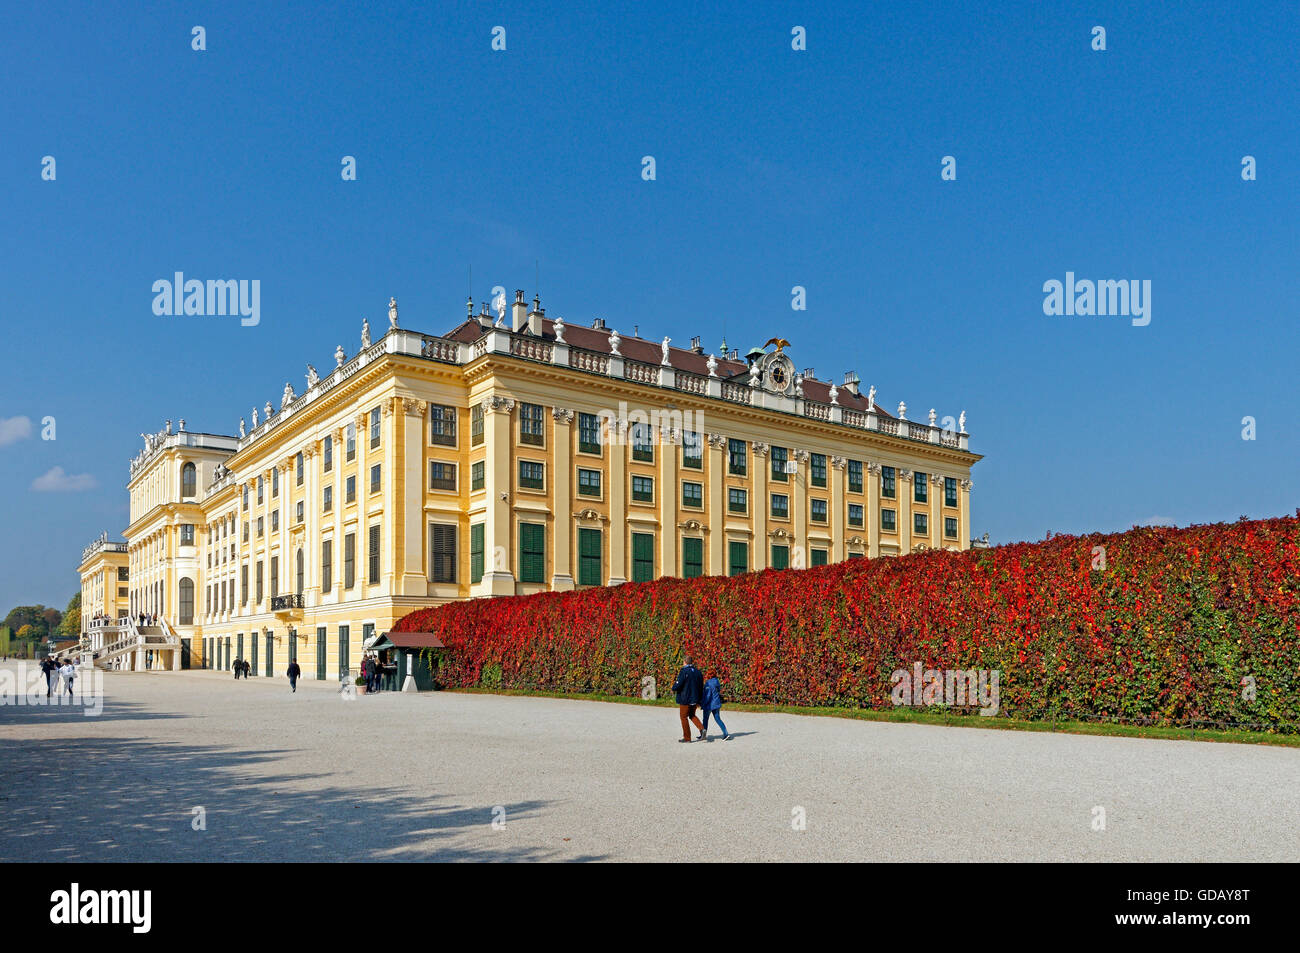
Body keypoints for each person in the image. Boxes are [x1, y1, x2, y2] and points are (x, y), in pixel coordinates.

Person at [670, 654, 705, 743]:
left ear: (684, 662)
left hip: (685, 698)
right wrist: (700, 698)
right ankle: (702, 729)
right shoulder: (698, 672)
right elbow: (701, 686)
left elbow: (679, 683)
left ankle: (687, 737)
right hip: (695, 698)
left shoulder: (684, 671)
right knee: (692, 715)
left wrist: (673, 688)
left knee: (683, 717)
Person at [700, 671, 732, 741]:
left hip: (709, 704)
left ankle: (703, 735)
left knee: (705, 720)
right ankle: (726, 734)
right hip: (716, 703)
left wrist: (703, 704)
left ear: (709, 675)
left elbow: (708, 696)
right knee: (718, 719)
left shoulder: (708, 683)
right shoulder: (716, 682)